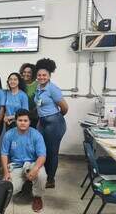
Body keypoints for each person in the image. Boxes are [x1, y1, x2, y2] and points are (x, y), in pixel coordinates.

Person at [1, 109, 47, 213]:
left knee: (41, 175)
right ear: (15, 121)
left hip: (32, 163)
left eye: (25, 120)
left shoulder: (36, 135)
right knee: (7, 189)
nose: (22, 123)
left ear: (30, 122)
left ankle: (37, 197)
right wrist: (6, 172)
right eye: (20, 120)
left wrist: (35, 169)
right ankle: (23, 185)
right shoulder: (9, 135)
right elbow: (4, 154)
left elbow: (42, 155)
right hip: (16, 165)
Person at [34, 58, 68, 189]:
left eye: (44, 75)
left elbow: (65, 107)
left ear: (49, 76)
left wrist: (56, 117)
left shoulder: (53, 89)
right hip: (42, 122)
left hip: (54, 123)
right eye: (39, 75)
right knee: (42, 150)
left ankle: (51, 179)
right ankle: (42, 174)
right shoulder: (38, 87)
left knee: (52, 152)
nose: (41, 77)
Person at [20, 63, 38, 128]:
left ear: (33, 74)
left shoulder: (38, 84)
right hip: (21, 116)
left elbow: (40, 100)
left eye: (29, 72)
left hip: (34, 116)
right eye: (24, 72)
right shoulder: (19, 83)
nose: (26, 74)